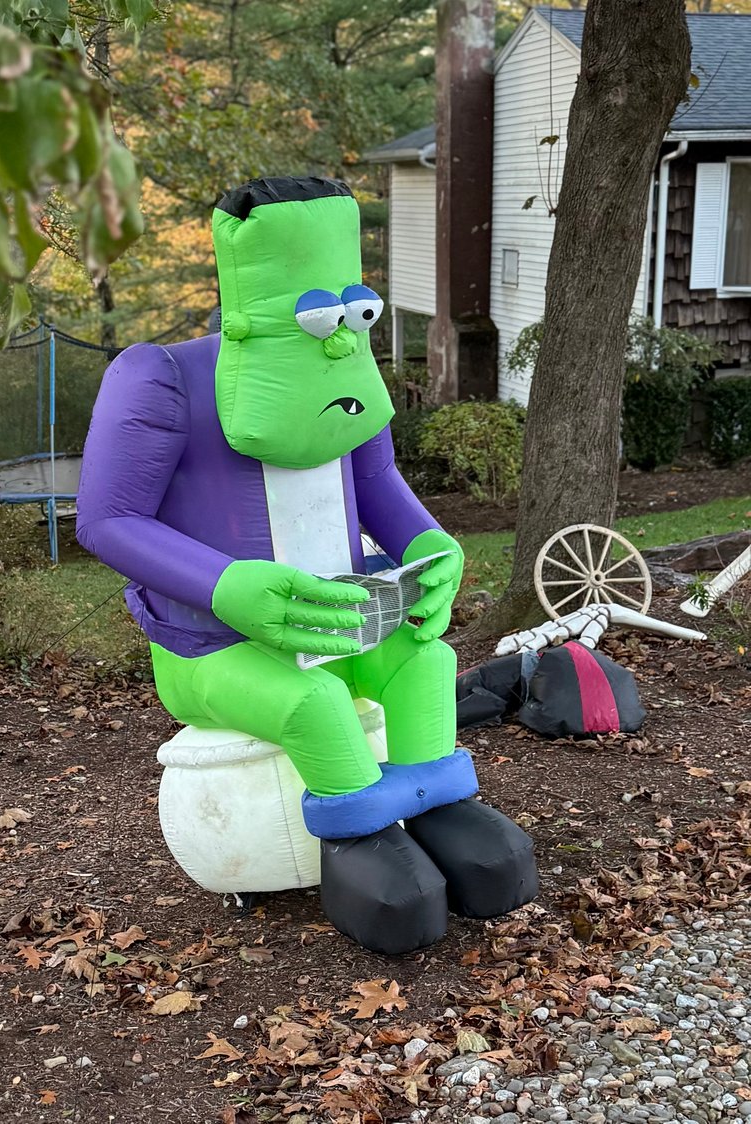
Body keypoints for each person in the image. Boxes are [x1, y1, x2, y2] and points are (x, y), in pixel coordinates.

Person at [77, 176, 537, 953]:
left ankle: (439, 809)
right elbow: (107, 518)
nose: (339, 339)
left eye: (354, 316)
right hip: (209, 646)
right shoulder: (160, 379)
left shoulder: (344, 367)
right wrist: (226, 585)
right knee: (313, 704)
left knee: (426, 664)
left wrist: (430, 545)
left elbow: (374, 477)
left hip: (342, 617)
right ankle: (362, 844)